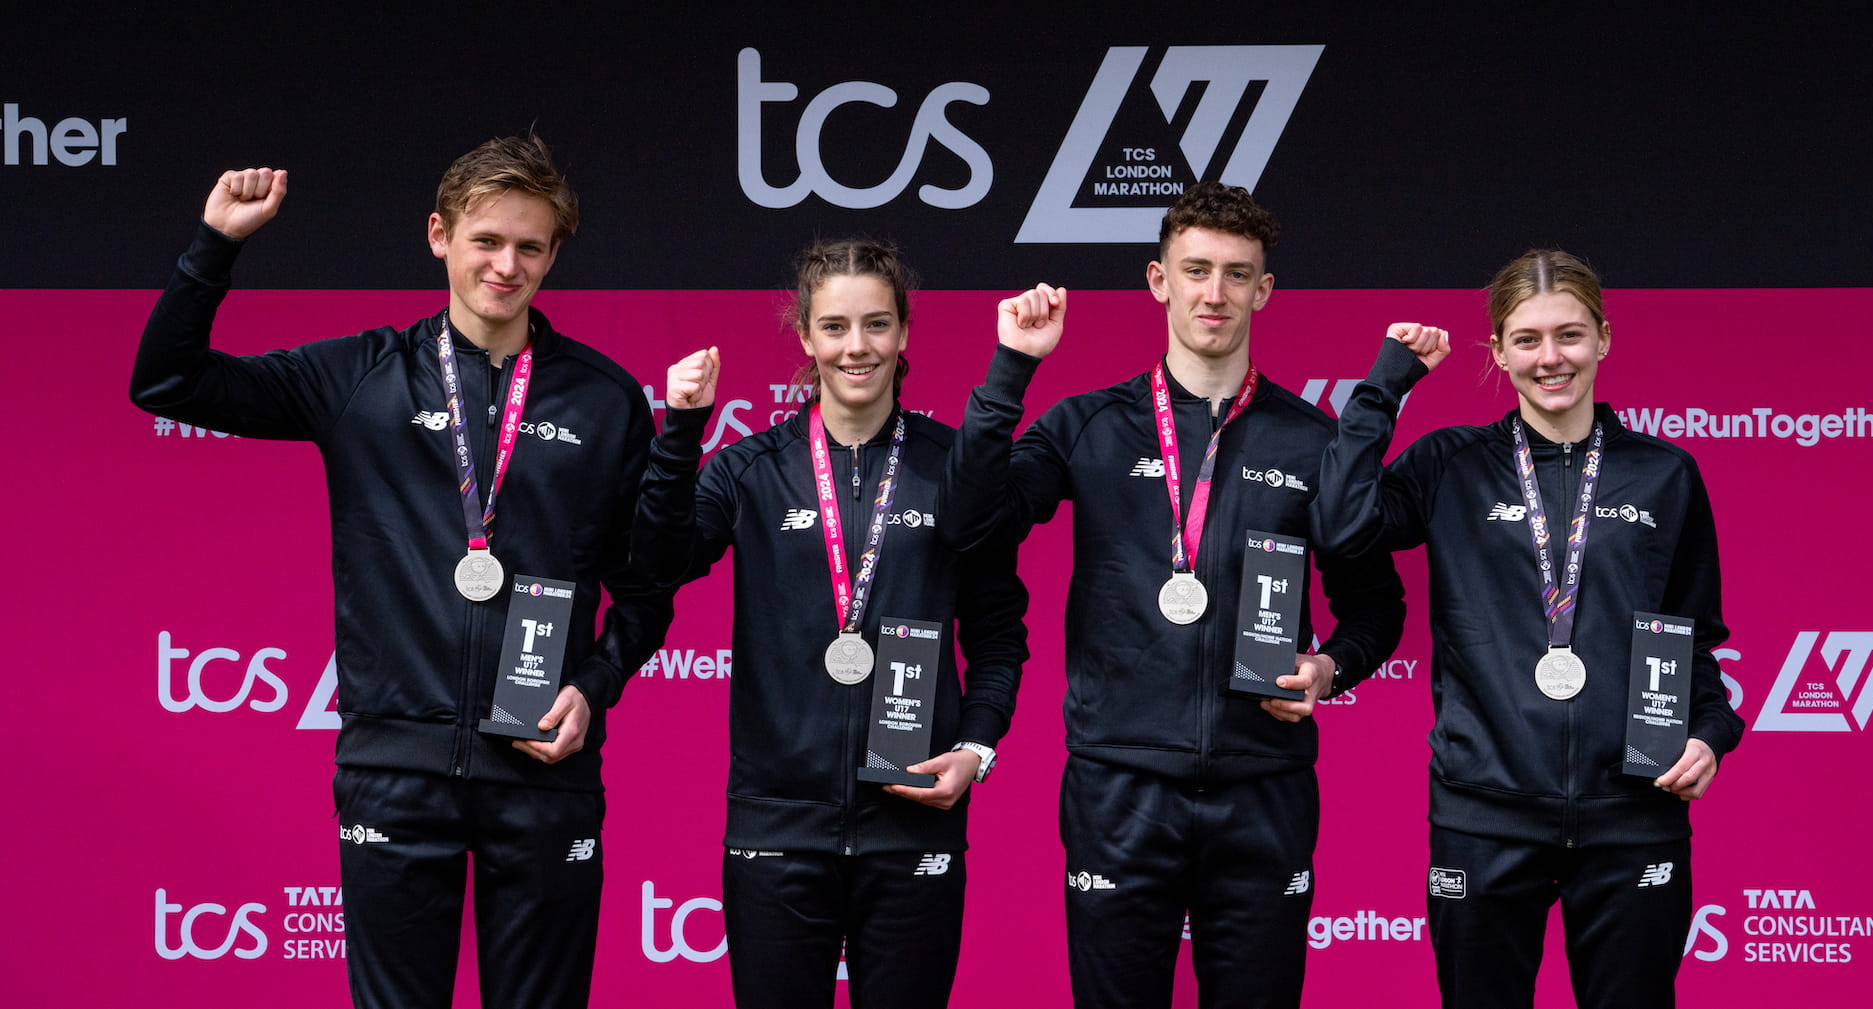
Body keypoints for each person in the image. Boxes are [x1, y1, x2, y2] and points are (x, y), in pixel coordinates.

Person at [129, 136, 667, 1009]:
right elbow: (165, 382)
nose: (506, 264)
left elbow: (645, 591)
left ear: (554, 255)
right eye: (486, 239)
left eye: (530, 247)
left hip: (544, 773)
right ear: (438, 236)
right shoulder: (360, 374)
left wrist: (596, 686)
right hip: (395, 769)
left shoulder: (605, 400)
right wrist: (214, 247)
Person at [946, 181, 1406, 1008]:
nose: (1215, 293)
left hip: (1264, 786)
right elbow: (975, 525)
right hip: (1120, 788)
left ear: (1264, 290)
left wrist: (1333, 666)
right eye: (1196, 270)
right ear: (1158, 279)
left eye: (1237, 274)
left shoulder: (1313, 439)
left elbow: (1378, 605)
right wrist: (1012, 367)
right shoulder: (1087, 423)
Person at [1312, 250, 1744, 1008]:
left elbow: (1696, 639)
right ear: (1499, 352)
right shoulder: (1452, 464)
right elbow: (1342, 525)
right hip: (1484, 811)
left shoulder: (1665, 473)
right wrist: (1385, 384)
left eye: (1570, 335)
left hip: (1634, 816)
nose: (1551, 358)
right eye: (1528, 339)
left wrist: (1709, 733)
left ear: (1604, 339)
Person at [643, 239, 1029, 1009]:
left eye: (877, 324)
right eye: (837, 326)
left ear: (905, 333)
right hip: (776, 829)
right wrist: (681, 432)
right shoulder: (749, 468)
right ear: (807, 337)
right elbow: (660, 562)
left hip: (913, 819)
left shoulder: (955, 468)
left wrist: (976, 748)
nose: (858, 347)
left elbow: (997, 632)